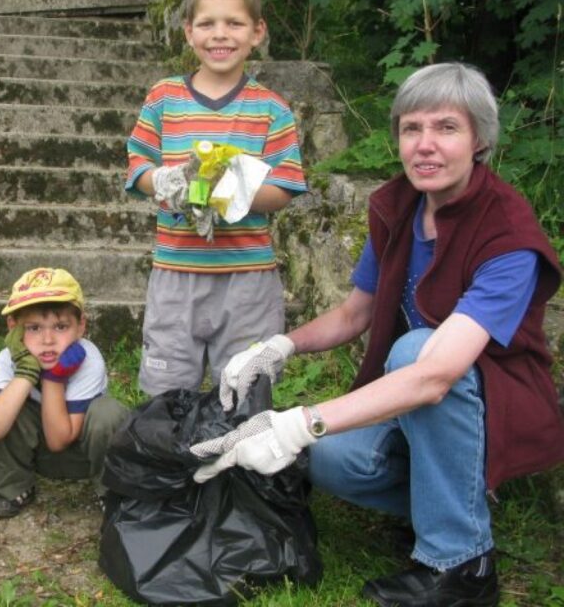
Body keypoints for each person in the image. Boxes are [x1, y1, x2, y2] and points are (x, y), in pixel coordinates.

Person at [192, 63, 564, 606]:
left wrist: (301, 421)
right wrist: (279, 345)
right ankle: (447, 502)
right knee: (327, 459)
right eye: (412, 129)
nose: (425, 145)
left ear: (479, 139)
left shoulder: (507, 232)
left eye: (446, 128)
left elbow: (437, 373)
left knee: (416, 348)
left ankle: (463, 562)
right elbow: (353, 314)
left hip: (498, 404)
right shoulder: (400, 209)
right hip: (418, 398)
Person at [125, 0, 307, 396]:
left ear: (257, 32)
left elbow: (284, 189)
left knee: (245, 389)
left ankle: (237, 461)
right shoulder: (163, 98)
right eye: (207, 23)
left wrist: (232, 193)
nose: (220, 35)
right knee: (167, 391)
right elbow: (138, 167)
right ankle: (170, 462)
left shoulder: (272, 109)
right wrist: (168, 182)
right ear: (188, 32)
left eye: (234, 23)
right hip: (175, 272)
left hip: (248, 278)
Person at [0, 267, 129, 518]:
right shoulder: (7, 360)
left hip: (81, 456)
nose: (47, 339)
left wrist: (54, 378)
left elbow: (59, 441)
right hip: (36, 456)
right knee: (0, 408)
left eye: (60, 326)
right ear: (13, 328)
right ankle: (13, 487)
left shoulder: (89, 359)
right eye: (34, 328)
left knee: (108, 413)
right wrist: (26, 372)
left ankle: (111, 491)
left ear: (80, 326)